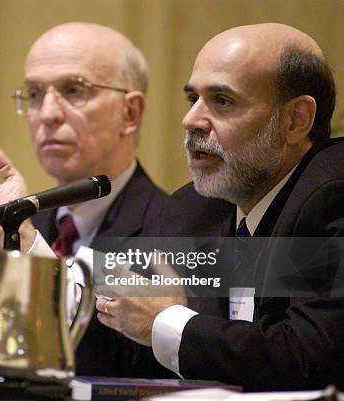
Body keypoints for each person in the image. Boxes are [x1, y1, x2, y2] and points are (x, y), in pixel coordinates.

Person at [93, 23, 344, 390]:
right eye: (192, 98)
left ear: (296, 120)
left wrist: (167, 321)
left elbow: (307, 358)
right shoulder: (193, 209)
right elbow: (130, 349)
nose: (191, 120)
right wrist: (30, 250)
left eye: (222, 101)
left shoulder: (330, 194)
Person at [0, 22, 169, 377]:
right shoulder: (14, 231)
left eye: (73, 90)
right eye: (34, 94)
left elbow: (109, 369)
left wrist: (28, 246)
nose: (48, 114)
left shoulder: (169, 228)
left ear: (129, 113)